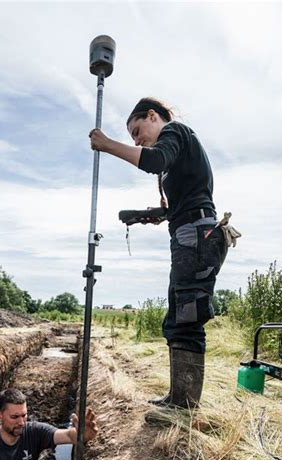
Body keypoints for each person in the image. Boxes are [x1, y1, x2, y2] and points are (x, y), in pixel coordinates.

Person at [90, 97, 229, 408]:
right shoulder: (177, 149)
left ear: (153, 116)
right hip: (189, 233)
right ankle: (178, 397)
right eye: (132, 137)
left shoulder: (176, 133)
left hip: (197, 234)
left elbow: (154, 160)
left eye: (137, 131)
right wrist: (144, 214)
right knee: (176, 320)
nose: (137, 140)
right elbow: (180, 203)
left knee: (187, 320)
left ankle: (184, 407)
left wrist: (107, 144)